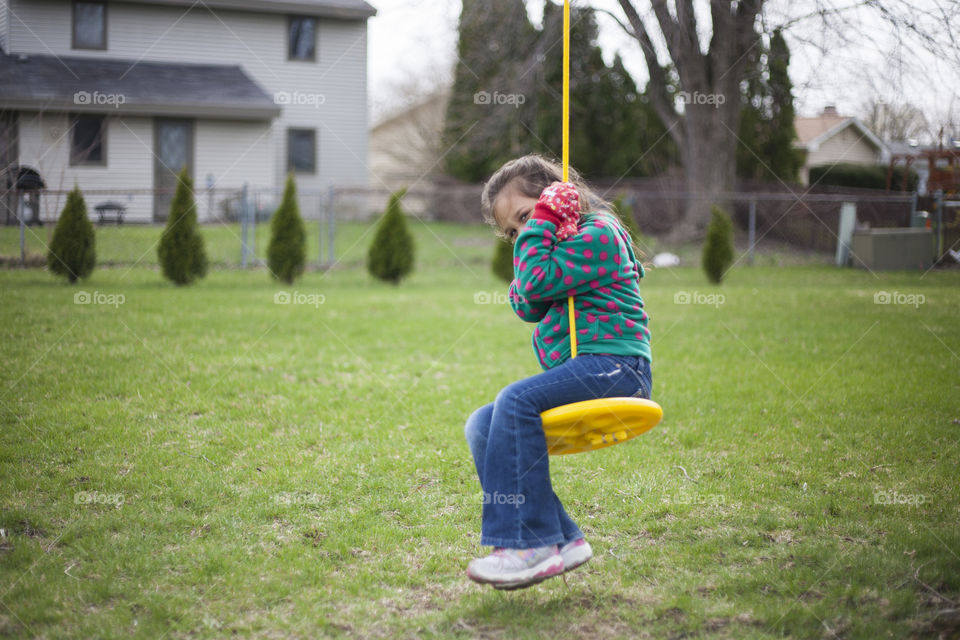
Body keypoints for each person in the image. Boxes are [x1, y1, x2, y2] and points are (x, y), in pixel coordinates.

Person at [464, 154, 653, 590]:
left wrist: (543, 223)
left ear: (555, 196)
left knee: (515, 399)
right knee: (481, 425)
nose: (523, 234)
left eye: (526, 216)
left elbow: (531, 284)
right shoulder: (548, 246)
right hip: (585, 368)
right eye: (513, 231)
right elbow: (527, 303)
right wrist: (542, 227)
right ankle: (562, 539)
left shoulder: (598, 234)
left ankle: (526, 544)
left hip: (618, 368)